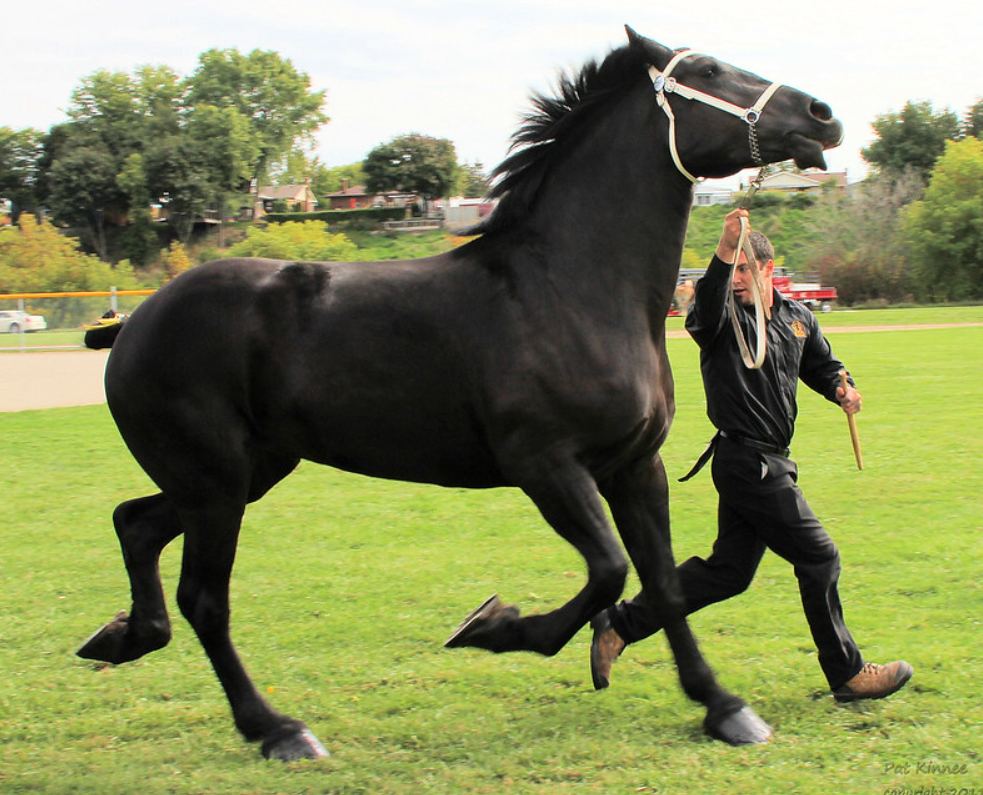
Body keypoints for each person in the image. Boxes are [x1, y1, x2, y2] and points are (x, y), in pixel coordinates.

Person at [590, 208, 913, 702]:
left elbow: (825, 366)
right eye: (731, 269)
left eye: (744, 268)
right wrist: (722, 250)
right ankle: (847, 674)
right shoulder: (722, 320)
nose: (737, 278)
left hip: (770, 462)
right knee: (820, 557)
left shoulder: (797, 318)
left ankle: (620, 625)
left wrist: (843, 389)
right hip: (747, 464)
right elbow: (704, 310)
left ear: (767, 268)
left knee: (729, 573)